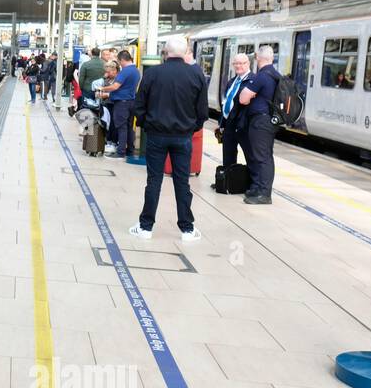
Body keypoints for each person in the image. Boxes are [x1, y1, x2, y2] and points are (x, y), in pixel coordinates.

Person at [128, 36, 208, 241]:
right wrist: (190, 129)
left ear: (165, 51)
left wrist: (148, 125)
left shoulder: (152, 73)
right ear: (185, 51)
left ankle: (145, 227)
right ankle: (187, 229)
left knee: (153, 181)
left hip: (156, 135)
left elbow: (138, 106)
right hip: (183, 137)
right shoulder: (196, 75)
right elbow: (202, 112)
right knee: (182, 182)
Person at [237, 44, 278, 204]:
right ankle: (259, 188)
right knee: (265, 155)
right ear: (272, 58)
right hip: (268, 121)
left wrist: (249, 94)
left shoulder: (261, 76)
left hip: (260, 121)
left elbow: (243, 99)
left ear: (258, 58)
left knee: (262, 157)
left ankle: (264, 194)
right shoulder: (275, 74)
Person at [98, 50, 140, 157]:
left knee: (121, 128)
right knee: (129, 128)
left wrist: (102, 88)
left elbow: (115, 86)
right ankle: (130, 151)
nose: (119, 64)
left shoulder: (125, 71)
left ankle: (121, 152)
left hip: (122, 103)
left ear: (122, 60)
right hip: (131, 102)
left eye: (119, 61)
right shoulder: (136, 71)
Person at [217, 52, 254, 171]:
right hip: (229, 124)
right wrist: (222, 123)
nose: (239, 66)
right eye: (236, 63)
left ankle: (252, 184)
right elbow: (226, 101)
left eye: (242, 63)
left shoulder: (252, 81)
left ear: (248, 64)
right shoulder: (232, 81)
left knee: (250, 156)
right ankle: (228, 181)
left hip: (243, 125)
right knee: (228, 155)